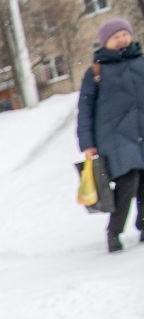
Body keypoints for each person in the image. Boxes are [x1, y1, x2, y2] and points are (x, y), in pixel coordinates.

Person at [77, 17, 144, 253]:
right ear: (105, 42)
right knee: (128, 182)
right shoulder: (96, 71)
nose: (122, 39)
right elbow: (85, 109)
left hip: (141, 131)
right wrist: (87, 143)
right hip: (114, 138)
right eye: (116, 37)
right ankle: (114, 231)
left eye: (125, 34)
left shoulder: (141, 62)